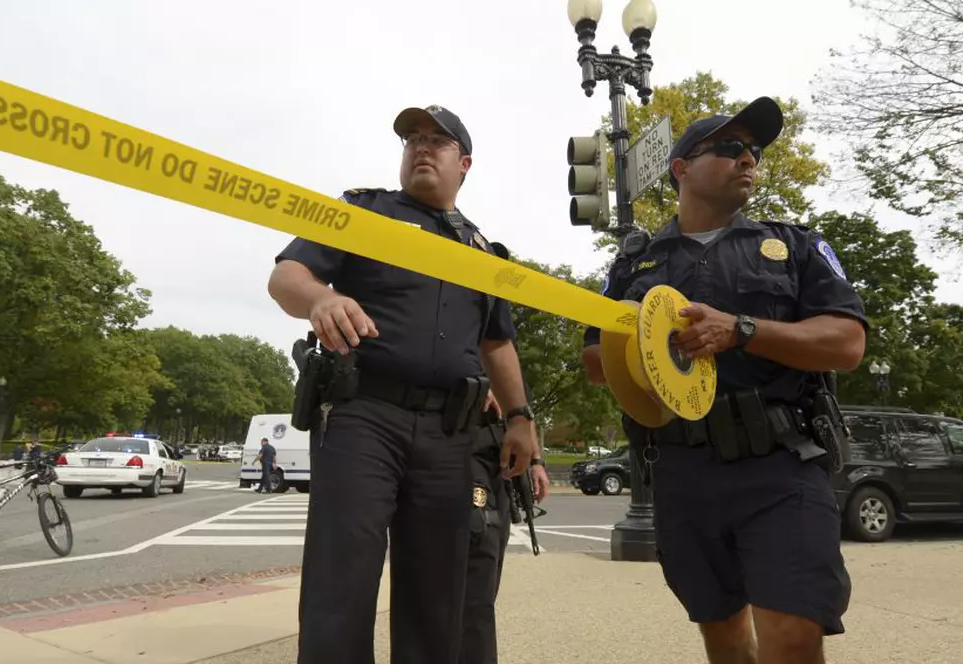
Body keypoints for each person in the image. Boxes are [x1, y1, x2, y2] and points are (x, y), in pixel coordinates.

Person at [580, 97, 867, 664]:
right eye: (731, 148)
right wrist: (647, 343)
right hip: (683, 471)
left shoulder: (796, 247)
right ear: (681, 168)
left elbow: (847, 344)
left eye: (755, 151)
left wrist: (741, 329)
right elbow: (595, 362)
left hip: (779, 464)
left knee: (791, 634)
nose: (749, 159)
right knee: (724, 635)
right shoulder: (634, 264)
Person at [267, 104, 539, 664]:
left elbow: (497, 342)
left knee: (440, 593)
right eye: (412, 139)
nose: (421, 147)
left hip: (450, 433)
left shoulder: (483, 252)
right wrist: (322, 297)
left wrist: (521, 419)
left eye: (437, 142)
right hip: (365, 415)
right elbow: (287, 276)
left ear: (463, 163)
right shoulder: (363, 213)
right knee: (341, 578)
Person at [462, 388, 549, 664]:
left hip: (499, 463)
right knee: (476, 580)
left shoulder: (505, 352)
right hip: (464, 451)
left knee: (486, 583)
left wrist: (536, 461)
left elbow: (522, 409)